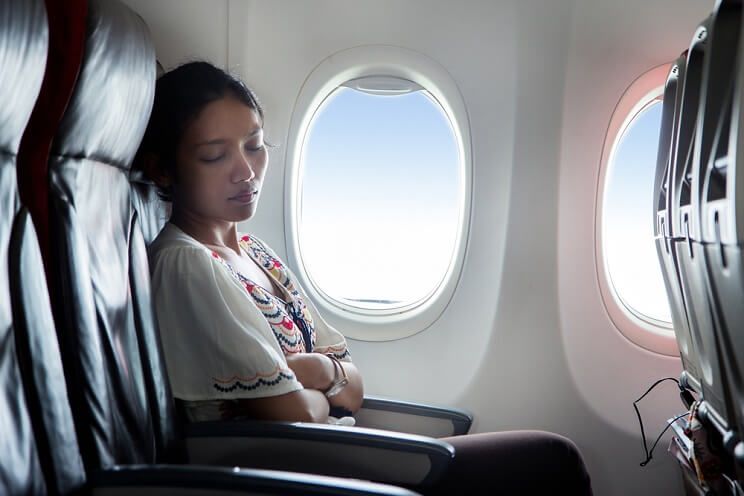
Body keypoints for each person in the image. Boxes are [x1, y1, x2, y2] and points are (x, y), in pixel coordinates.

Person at [136, 61, 593, 495]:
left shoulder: (256, 253)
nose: (246, 170)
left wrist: (318, 372)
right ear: (163, 168)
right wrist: (323, 391)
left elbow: (354, 384)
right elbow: (293, 416)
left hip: (337, 457)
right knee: (552, 461)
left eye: (254, 146)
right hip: (292, 476)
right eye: (215, 156)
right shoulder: (188, 265)